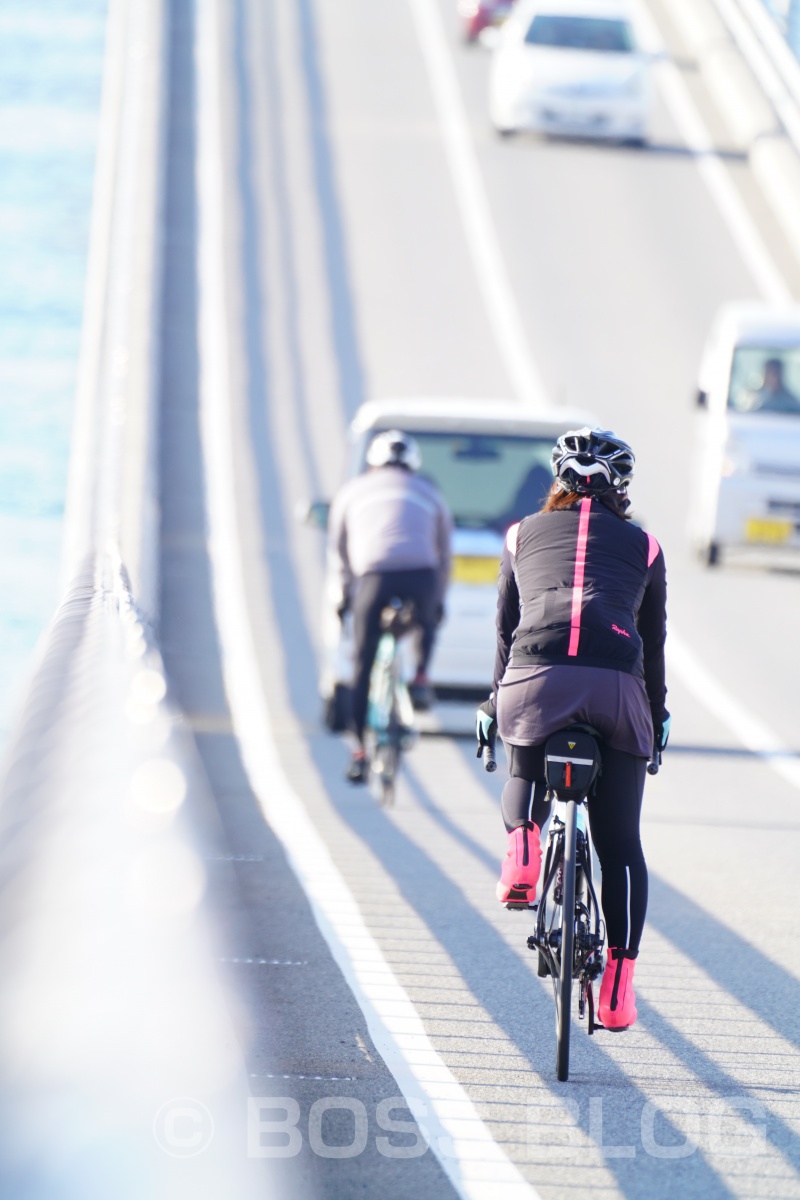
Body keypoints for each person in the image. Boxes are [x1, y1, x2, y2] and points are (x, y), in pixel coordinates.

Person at [476, 427, 669, 1030]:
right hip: (615, 687)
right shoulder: (645, 546)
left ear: (556, 480)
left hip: (535, 676)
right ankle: (617, 987)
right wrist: (657, 716)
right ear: (622, 489)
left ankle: (523, 850)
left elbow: (505, 629)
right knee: (622, 846)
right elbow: (653, 645)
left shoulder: (519, 534)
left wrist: (494, 702)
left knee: (524, 770)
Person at [328, 430, 453, 783]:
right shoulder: (429, 491)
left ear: (373, 461)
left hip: (374, 575)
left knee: (362, 663)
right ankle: (421, 676)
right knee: (426, 621)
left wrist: (345, 595)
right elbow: (444, 552)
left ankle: (358, 753)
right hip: (421, 574)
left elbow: (339, 549)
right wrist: (437, 601)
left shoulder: (352, 490)